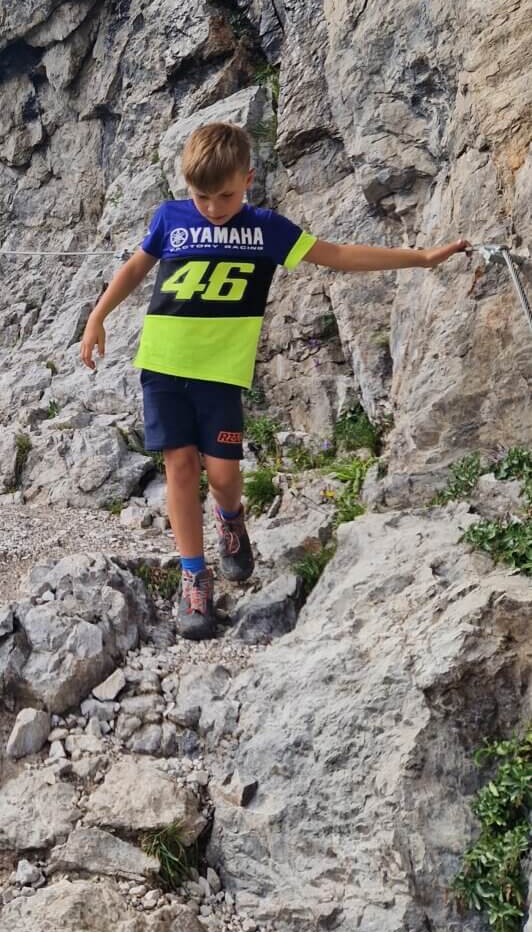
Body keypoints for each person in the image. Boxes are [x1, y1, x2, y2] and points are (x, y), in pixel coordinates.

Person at [79, 121, 468, 641]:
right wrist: (96, 316)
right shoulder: (169, 218)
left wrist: (419, 258)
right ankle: (195, 577)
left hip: (221, 376)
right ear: (185, 187)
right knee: (179, 465)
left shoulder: (266, 229)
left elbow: (339, 256)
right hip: (165, 367)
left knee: (222, 476)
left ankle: (232, 519)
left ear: (249, 179)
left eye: (225, 196)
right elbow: (134, 269)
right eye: (201, 197)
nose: (214, 208)